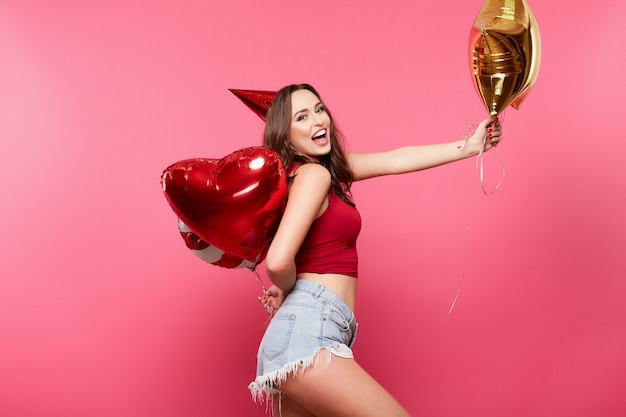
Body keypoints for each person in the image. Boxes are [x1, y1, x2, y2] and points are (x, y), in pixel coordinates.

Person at [248, 83, 502, 417]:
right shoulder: (313, 175)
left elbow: (394, 159)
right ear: (285, 133)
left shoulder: (314, 174)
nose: (317, 120)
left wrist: (469, 147)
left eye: (320, 109)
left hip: (298, 334)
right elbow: (279, 260)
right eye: (302, 116)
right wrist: (287, 287)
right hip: (310, 331)